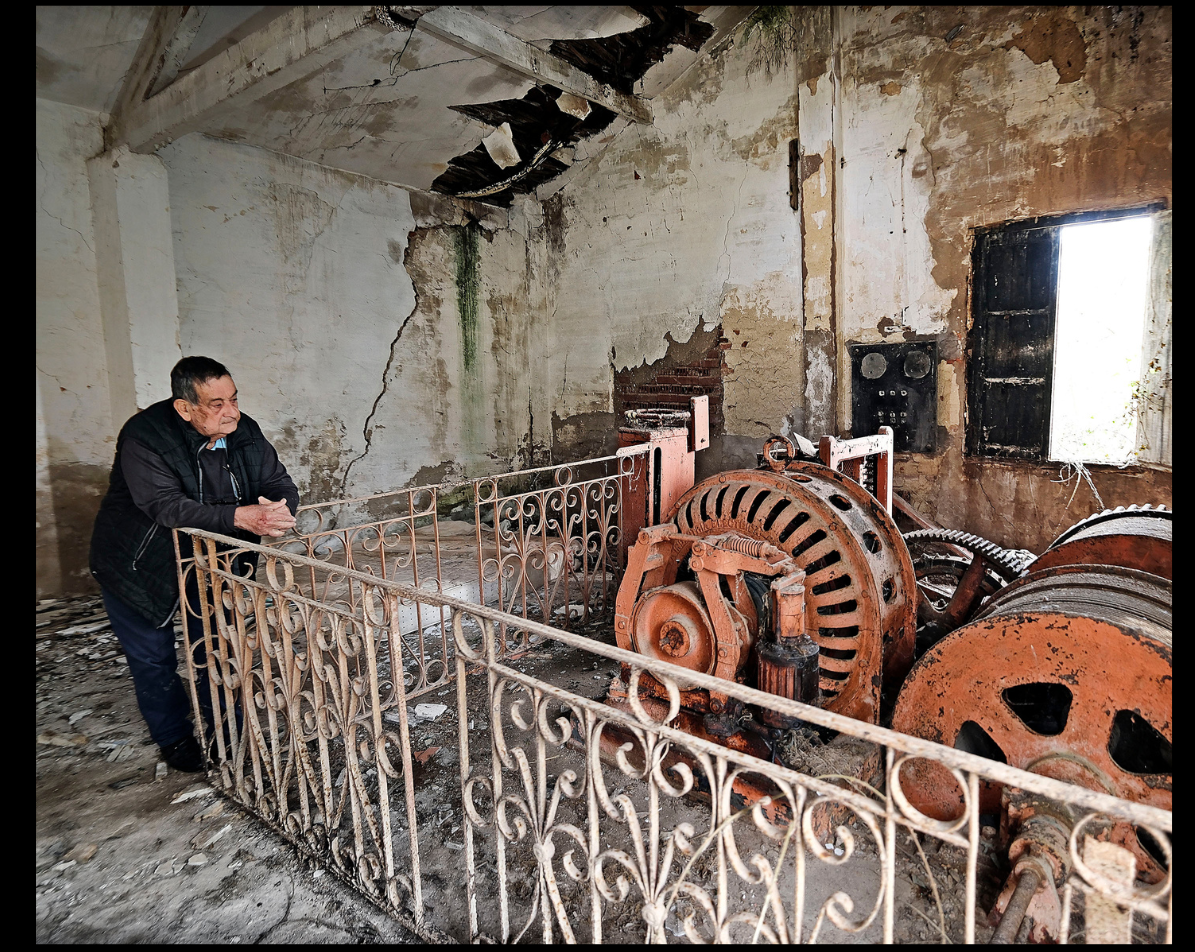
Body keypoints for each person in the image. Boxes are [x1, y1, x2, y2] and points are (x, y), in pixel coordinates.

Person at [90, 357, 299, 771]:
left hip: (213, 564)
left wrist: (279, 509)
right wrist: (241, 518)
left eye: (234, 399)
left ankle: (228, 731)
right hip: (140, 563)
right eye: (216, 404)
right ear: (184, 408)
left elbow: (278, 481)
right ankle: (173, 737)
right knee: (154, 657)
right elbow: (165, 507)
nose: (232, 412)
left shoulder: (245, 431)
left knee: (217, 647)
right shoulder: (145, 436)